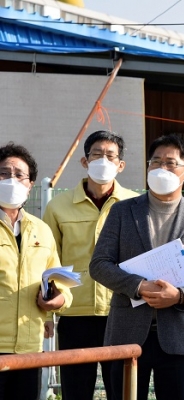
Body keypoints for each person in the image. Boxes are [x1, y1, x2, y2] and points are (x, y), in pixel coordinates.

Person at [89, 134, 184, 400]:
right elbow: (99, 264)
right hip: (126, 333)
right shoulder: (122, 211)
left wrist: (181, 296)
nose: (161, 168)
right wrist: (137, 286)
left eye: (170, 163)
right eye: (155, 161)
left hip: (178, 336)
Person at [43, 130, 138, 400]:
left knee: (121, 390)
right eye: (97, 154)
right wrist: (49, 314)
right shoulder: (58, 207)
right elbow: (49, 261)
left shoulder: (134, 204)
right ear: (85, 162)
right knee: (75, 390)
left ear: (121, 165)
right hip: (73, 314)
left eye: (111, 156)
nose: (103, 161)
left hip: (121, 312)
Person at [0, 143, 73, 400]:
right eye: (3, 173)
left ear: (30, 184)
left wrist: (58, 299)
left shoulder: (41, 230)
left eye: (19, 175)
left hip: (30, 349)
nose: (11, 180)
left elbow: (60, 280)